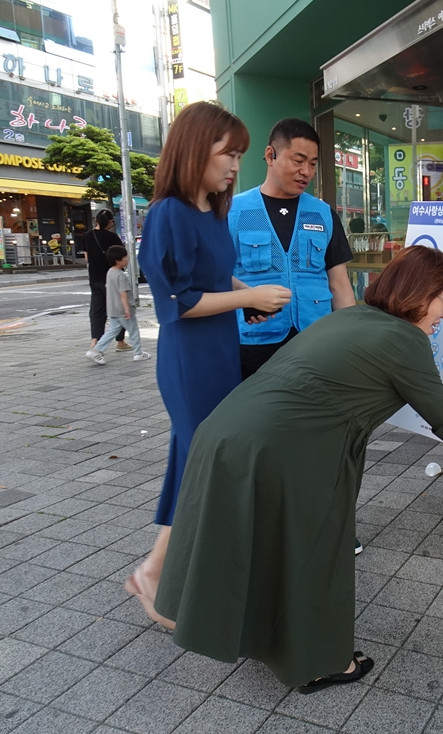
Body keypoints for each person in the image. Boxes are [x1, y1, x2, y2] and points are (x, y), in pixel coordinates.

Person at [153, 246, 443, 692]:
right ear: (421, 296)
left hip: (228, 432)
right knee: (314, 549)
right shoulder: (404, 341)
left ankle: (265, 640)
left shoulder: (353, 318)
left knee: (266, 543)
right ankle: (319, 662)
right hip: (283, 449)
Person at [125, 102, 292, 624]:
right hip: (189, 363)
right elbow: (178, 303)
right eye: (228, 153)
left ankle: (163, 573)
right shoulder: (168, 214)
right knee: (204, 467)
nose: (235, 166)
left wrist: (254, 294)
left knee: (195, 464)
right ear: (196, 149)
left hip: (220, 355)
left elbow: (218, 281)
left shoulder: (212, 212)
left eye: (240, 155)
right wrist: (250, 298)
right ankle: (156, 573)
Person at [228, 118, 355, 380]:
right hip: (253, 346)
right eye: (298, 161)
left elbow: (339, 283)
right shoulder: (234, 212)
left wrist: (349, 339)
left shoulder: (323, 214)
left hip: (315, 342)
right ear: (270, 155)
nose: (306, 172)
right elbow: (215, 275)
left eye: (312, 163)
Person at [84, 245, 150, 364]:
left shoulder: (110, 272)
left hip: (113, 309)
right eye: (125, 257)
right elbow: (123, 293)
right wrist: (127, 309)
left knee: (112, 331)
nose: (128, 259)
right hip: (123, 310)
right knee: (133, 330)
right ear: (118, 260)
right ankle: (138, 353)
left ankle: (96, 350)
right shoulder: (121, 275)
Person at [83, 209, 128, 352]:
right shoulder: (113, 237)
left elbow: (87, 257)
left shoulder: (88, 236)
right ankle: (120, 342)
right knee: (118, 309)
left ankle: (95, 341)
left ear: (96, 220)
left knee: (97, 310)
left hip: (95, 278)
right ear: (110, 221)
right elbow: (121, 256)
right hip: (112, 278)